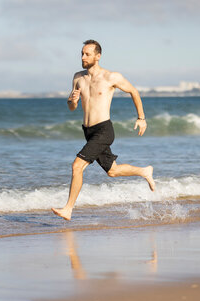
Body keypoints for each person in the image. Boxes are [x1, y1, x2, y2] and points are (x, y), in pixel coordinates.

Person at [51, 39, 155, 221]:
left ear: (98, 56)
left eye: (87, 54)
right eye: (82, 53)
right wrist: (72, 101)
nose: (83, 57)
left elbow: (134, 92)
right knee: (112, 171)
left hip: (104, 131)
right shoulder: (78, 77)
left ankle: (68, 209)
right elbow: (71, 107)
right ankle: (144, 171)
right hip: (88, 131)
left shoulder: (111, 77)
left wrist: (141, 118)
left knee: (77, 166)